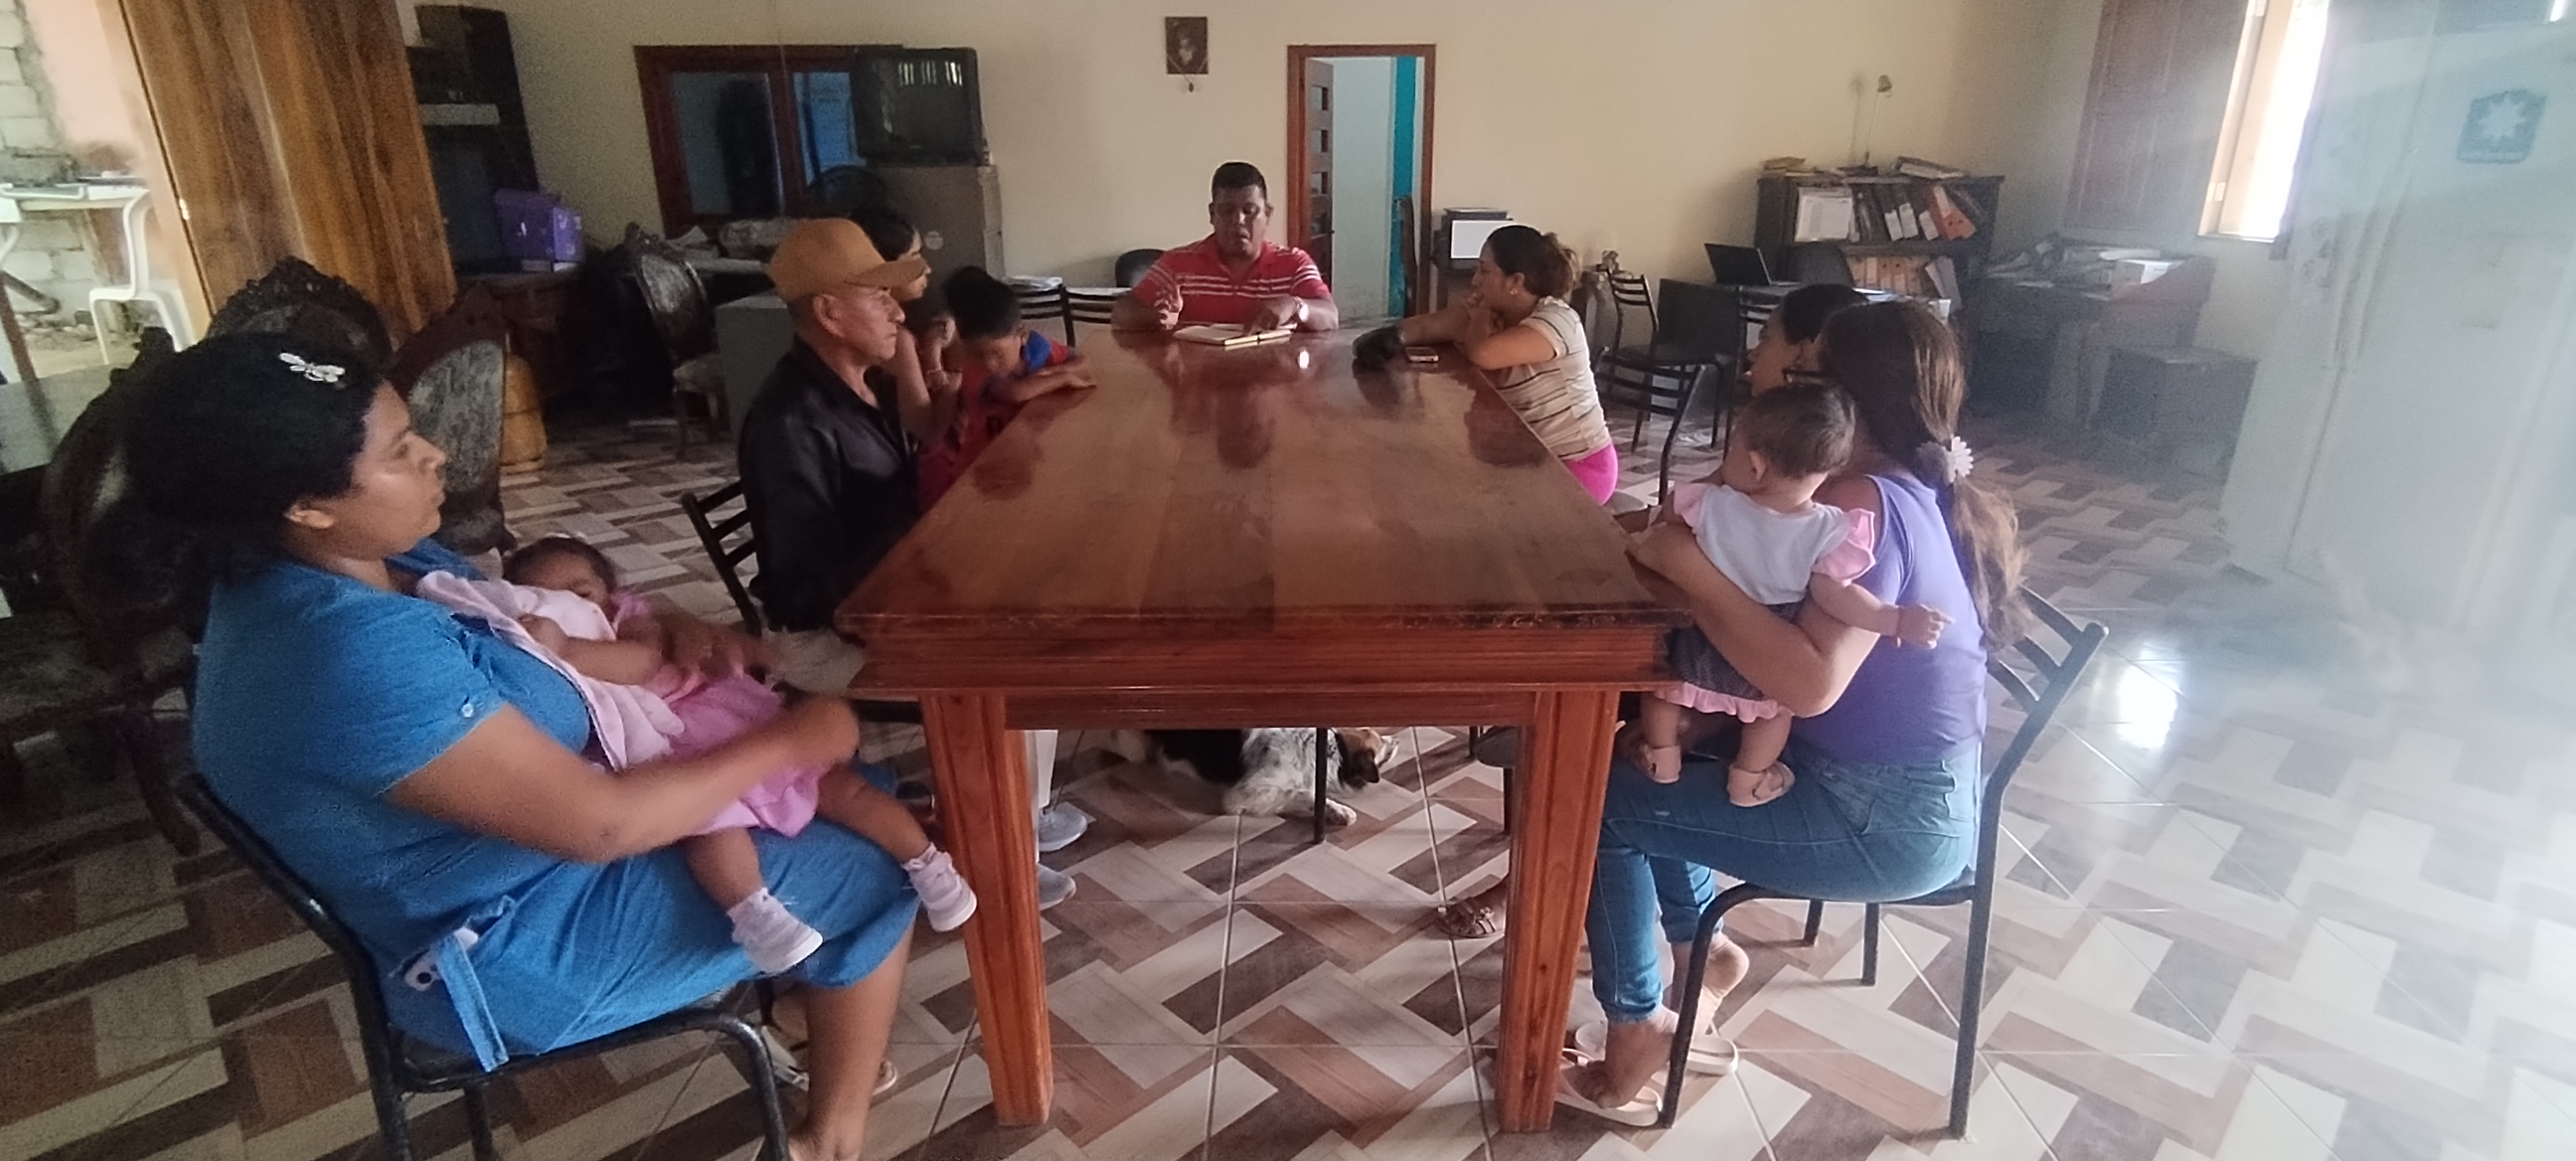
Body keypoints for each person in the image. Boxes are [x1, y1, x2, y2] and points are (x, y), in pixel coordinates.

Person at [92, 334, 912, 1161]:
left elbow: (541, 619)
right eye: (400, 451)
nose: (435, 454)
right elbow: (601, 825)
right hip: (515, 942)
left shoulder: (373, 556)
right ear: (306, 505)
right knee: (877, 865)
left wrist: (672, 626)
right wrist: (789, 737)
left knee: (851, 792)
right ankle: (829, 1140)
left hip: (542, 859)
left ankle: (805, 1002)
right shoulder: (338, 649)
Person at [1557, 299, 2025, 1124]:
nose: (1766, 369)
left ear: (1836, 393)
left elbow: (1808, 684)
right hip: (1877, 790)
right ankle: (1702, 952)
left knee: (1600, 804)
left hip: (1885, 820)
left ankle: (1637, 1026)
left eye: (1797, 363)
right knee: (1648, 753)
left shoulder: (1858, 506)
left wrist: (1690, 570)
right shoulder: (1884, 485)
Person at [1429, 280, 1869, 940]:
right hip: (1717, 662)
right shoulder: (1769, 453)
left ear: (1806, 355)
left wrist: (1678, 569)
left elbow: (1802, 677)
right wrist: (1592, 533)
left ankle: (1542, 876)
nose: (1753, 354)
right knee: (1604, 710)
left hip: (1769, 717)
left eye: (1767, 338)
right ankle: (1669, 919)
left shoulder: (1836, 495)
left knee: (1606, 742)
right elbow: (1674, 520)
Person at [737, 220, 1089, 906]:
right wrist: (931, 574)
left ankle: (1029, 811)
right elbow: (806, 586)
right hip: (825, 637)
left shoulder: (867, 387)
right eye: (879, 298)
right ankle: (1001, 853)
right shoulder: (791, 422)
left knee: (1035, 633)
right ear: (829, 312)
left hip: (893, 598)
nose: (899, 313)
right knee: (1002, 671)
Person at [495, 536, 978, 959]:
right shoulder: (533, 643)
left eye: (582, 593)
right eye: (548, 597)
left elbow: (641, 663)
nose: (570, 605)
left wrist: (567, 649)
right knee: (710, 831)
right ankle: (757, 916)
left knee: (843, 789)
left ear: (609, 593)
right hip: (672, 752)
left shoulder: (629, 621)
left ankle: (928, 864)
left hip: (723, 719)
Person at [1631, 386, 1949, 801]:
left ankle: (1662, 759)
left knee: (1663, 691)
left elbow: (1667, 515)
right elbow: (1834, 595)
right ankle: (1748, 779)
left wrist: (1705, 500)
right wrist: (1894, 619)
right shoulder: (1833, 530)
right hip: (1762, 658)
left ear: (1755, 465)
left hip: (1698, 647)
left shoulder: (1711, 504)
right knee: (1772, 716)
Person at [1371, 225, 1619, 504]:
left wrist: (1478, 315)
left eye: (1484, 271)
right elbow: (1428, 328)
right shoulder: (1497, 315)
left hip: (1577, 465)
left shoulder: (1557, 320)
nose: (1475, 280)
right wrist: (1392, 336)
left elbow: (1483, 353)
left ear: (1515, 282)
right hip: (1529, 457)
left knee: (1470, 505)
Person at [917, 266, 1096, 510]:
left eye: (997, 354)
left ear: (1022, 335)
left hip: (1024, 454)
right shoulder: (971, 366)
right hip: (978, 467)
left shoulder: (1037, 346)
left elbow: (1081, 359)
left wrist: (1050, 372)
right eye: (978, 353)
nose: (990, 364)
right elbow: (1015, 393)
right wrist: (1062, 378)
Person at [1112, 162, 1340, 333]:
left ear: (1267, 214)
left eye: (1249, 211)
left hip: (1272, 378)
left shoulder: (1294, 263)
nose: (1238, 220)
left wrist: (1295, 306)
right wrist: (1156, 317)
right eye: (1227, 210)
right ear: (1212, 214)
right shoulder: (1178, 264)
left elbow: (1330, 316)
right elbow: (1122, 312)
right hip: (1198, 379)